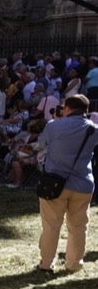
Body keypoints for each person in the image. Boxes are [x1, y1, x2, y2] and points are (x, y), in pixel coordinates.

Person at [36, 94, 98, 273]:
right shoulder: (93, 130)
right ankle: (74, 264)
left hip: (54, 184)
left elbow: (41, 144)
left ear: (67, 109)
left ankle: (46, 264)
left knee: (51, 225)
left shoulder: (53, 126)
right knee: (79, 227)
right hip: (83, 184)